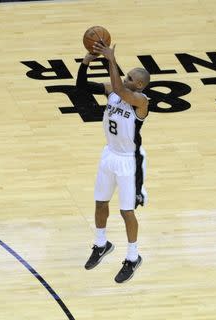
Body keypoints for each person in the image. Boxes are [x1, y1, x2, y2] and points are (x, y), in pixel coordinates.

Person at [77, 41, 150, 283]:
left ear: (139, 84)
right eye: (125, 75)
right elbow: (81, 87)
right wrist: (86, 63)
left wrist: (110, 59)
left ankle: (133, 257)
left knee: (126, 211)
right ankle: (101, 244)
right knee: (100, 203)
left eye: (130, 77)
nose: (125, 78)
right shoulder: (114, 92)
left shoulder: (140, 101)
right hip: (109, 155)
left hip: (129, 162)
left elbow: (119, 88)